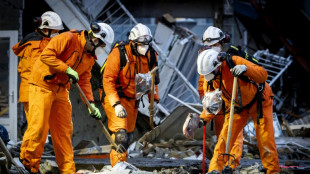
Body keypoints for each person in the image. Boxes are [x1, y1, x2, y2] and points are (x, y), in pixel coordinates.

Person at [22, 22, 114, 174]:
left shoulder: (89, 57)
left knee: (64, 132)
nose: (100, 48)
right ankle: (29, 167)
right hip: (42, 85)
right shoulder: (68, 38)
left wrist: (91, 104)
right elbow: (46, 55)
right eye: (101, 45)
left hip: (61, 90)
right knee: (38, 129)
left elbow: (84, 80)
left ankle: (68, 171)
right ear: (95, 39)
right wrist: (66, 69)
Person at [196, 48, 280, 173]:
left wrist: (246, 69)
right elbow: (212, 102)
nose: (210, 76)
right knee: (223, 141)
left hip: (260, 102)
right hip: (237, 107)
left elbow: (263, 75)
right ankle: (214, 171)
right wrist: (202, 119)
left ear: (218, 65)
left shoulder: (234, 61)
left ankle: (272, 171)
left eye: (211, 72)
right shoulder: (212, 78)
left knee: (265, 140)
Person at [101, 23, 159, 167]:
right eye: (140, 44)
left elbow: (153, 81)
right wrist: (116, 104)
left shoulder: (151, 55)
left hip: (133, 99)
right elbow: (107, 80)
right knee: (121, 136)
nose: (143, 47)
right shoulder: (119, 54)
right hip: (114, 96)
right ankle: (118, 168)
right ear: (132, 42)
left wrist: (155, 101)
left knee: (128, 136)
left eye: (146, 44)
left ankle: (122, 165)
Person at [12, 11, 64, 164]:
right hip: (33, 91)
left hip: (36, 90)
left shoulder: (42, 42)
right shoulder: (35, 44)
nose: (57, 34)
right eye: (54, 31)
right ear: (44, 29)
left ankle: (29, 161)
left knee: (38, 129)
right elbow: (40, 69)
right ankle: (26, 162)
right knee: (37, 129)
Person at [197, 26, 244, 169]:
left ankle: (232, 166)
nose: (212, 48)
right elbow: (202, 82)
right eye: (209, 45)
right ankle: (221, 165)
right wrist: (204, 99)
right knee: (221, 137)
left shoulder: (232, 57)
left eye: (215, 45)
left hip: (233, 102)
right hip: (216, 102)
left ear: (222, 42)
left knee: (235, 137)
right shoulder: (204, 57)